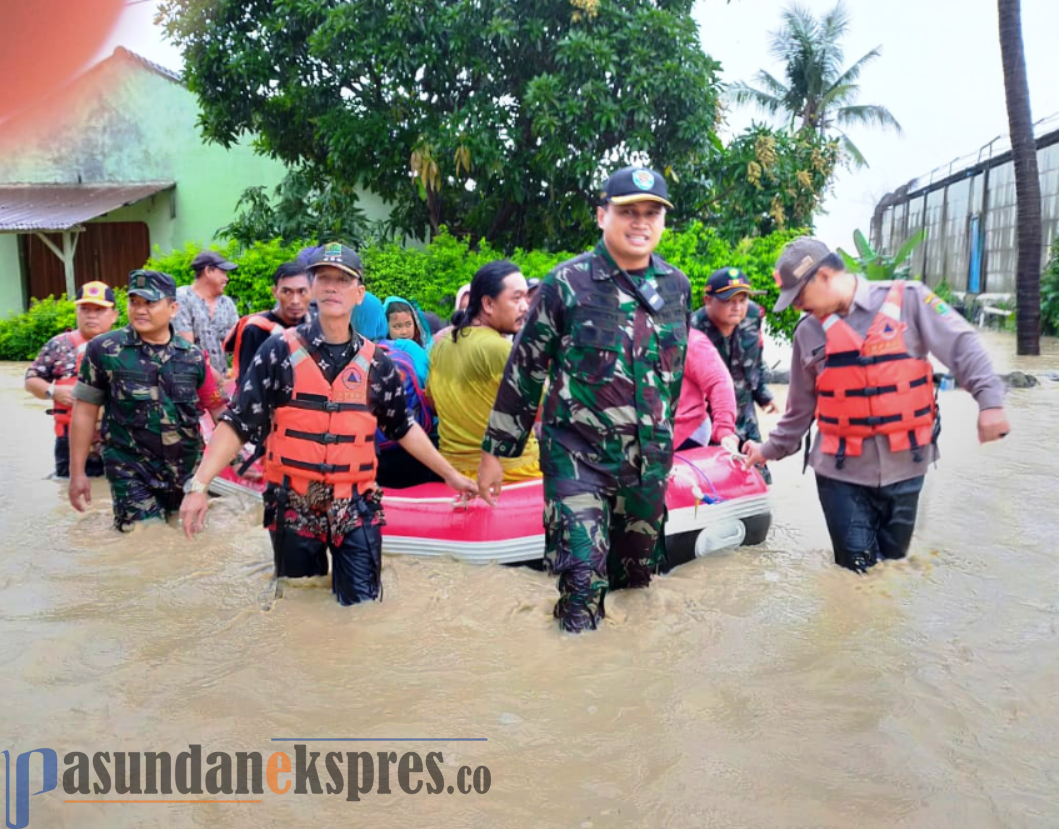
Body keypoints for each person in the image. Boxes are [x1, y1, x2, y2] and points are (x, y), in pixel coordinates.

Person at [178, 243, 478, 605]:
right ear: (314, 288)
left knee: (362, 610)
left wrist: (451, 475)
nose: (333, 286)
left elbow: (404, 427)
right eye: (324, 278)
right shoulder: (277, 353)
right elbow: (237, 421)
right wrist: (199, 485)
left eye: (343, 279)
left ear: (359, 293)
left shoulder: (378, 364)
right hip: (294, 502)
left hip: (356, 501)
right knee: (301, 607)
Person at [478, 167, 691, 633]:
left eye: (651, 212)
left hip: (646, 467)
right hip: (577, 460)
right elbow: (526, 367)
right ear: (601, 215)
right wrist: (496, 452)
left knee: (636, 587)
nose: (640, 222)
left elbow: (671, 379)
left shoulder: (677, 286)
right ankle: (571, 691)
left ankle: (628, 691)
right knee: (580, 584)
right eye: (627, 211)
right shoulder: (565, 283)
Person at [742, 237, 1011, 573]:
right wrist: (766, 450)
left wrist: (990, 402)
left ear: (824, 276)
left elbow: (961, 344)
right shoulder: (807, 333)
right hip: (840, 476)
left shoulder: (910, 300)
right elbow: (799, 410)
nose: (797, 307)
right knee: (856, 574)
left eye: (799, 296)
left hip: (907, 469)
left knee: (891, 572)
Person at [68, 270, 228, 531]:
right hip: (130, 470)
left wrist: (241, 460)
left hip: (186, 471)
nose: (140, 310)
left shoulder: (193, 357)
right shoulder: (104, 350)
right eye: (134, 302)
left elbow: (218, 410)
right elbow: (84, 412)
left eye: (150, 303)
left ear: (173, 308)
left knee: (189, 541)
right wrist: (78, 474)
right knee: (145, 541)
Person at [428, 260, 540, 482]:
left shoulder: (443, 344)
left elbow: (432, 403)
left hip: (456, 472)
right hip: (512, 473)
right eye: (516, 298)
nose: (525, 306)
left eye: (526, 298)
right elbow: (543, 409)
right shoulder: (500, 348)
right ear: (488, 304)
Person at [690, 267, 778, 482]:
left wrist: (763, 394)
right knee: (714, 480)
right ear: (708, 300)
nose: (737, 307)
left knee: (757, 476)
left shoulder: (753, 316)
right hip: (710, 420)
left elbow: (756, 359)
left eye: (743, 299)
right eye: (729, 300)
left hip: (745, 414)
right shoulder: (692, 329)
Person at [24, 281, 119, 478]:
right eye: (85, 309)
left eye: (99, 309)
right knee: (67, 490)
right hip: (69, 438)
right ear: (76, 312)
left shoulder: (126, 346)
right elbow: (31, 380)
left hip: (117, 440)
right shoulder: (59, 345)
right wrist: (54, 391)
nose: (91, 315)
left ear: (114, 315)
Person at [223, 261, 312, 382]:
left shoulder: (314, 326)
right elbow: (248, 381)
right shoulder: (255, 329)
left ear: (312, 292)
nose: (295, 300)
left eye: (302, 292)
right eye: (287, 292)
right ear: (274, 292)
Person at [673, 327, 740, 453]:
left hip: (686, 432)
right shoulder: (629, 337)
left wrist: (724, 431)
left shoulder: (689, 340)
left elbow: (719, 381)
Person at [175, 250, 240, 378]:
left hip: (220, 384)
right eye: (223, 272)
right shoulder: (182, 297)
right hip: (190, 381)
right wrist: (218, 381)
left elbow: (237, 343)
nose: (227, 278)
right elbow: (187, 350)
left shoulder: (227, 303)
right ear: (208, 271)